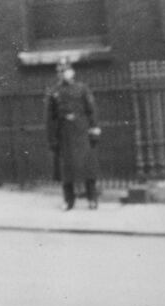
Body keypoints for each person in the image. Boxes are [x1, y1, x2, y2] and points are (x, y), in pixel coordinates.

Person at [46, 59, 101, 210]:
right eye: (60, 71)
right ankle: (69, 200)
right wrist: (52, 139)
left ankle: (92, 198)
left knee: (88, 167)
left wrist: (94, 129)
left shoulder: (82, 89)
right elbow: (51, 118)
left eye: (66, 70)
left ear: (72, 72)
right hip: (65, 134)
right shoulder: (54, 92)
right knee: (66, 169)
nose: (63, 74)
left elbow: (91, 110)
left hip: (82, 132)